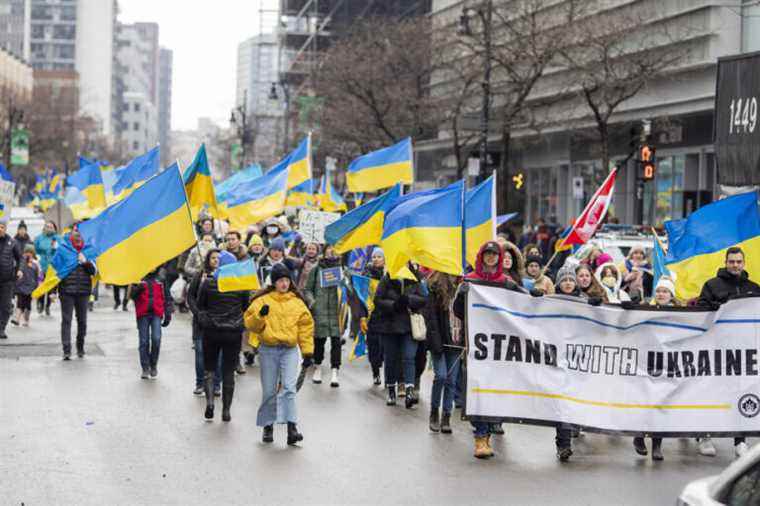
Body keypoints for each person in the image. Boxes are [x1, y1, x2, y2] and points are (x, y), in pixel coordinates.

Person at [452, 241, 516, 458]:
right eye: (487, 254)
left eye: (494, 254)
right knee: (477, 390)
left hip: (499, 346)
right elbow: (459, 312)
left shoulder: (507, 283)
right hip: (475, 345)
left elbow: (523, 306)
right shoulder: (470, 280)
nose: (491, 258)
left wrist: (533, 294)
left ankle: (487, 433)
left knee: (494, 391)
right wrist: (462, 294)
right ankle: (480, 437)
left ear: (499, 258)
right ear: (481, 256)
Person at [698, 246, 760, 458]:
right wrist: (716, 307)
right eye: (731, 261)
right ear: (725, 262)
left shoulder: (754, 288)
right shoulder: (711, 285)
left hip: (744, 353)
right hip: (717, 349)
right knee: (710, 393)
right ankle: (704, 434)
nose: (735, 265)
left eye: (738, 262)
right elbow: (700, 312)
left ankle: (740, 440)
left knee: (741, 395)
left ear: (744, 263)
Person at [245, 264, 314, 445]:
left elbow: (305, 328)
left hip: (290, 350)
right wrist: (260, 316)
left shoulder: (298, 302)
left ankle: (292, 428)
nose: (284, 284)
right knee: (269, 390)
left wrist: (307, 352)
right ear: (274, 282)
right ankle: (268, 426)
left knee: (289, 388)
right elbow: (251, 325)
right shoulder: (262, 301)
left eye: (286, 280)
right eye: (280, 280)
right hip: (268, 349)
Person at [195, 250, 250, 422]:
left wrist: (204, 320)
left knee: (209, 369)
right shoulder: (241, 284)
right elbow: (245, 307)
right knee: (228, 371)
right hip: (233, 333)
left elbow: (200, 305)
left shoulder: (208, 283)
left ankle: (210, 403)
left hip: (211, 332)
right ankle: (226, 410)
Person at [630, 276, 679, 461]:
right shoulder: (645, 309)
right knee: (645, 401)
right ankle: (639, 437)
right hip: (646, 361)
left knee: (662, 404)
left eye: (665, 291)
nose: (661, 294)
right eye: (658, 291)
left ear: (671, 295)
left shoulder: (681, 314)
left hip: (667, 363)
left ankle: (657, 445)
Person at [373, 262, 428, 409]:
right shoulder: (387, 278)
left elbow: (424, 298)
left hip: (409, 326)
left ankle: (409, 390)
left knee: (409, 357)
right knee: (391, 359)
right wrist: (394, 304)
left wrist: (409, 300)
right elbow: (377, 300)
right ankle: (391, 390)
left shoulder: (416, 278)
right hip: (389, 326)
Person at [552, 266, 585, 461]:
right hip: (556, 358)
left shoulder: (584, 303)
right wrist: (534, 300)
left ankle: (574, 429)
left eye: (571, 280)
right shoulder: (550, 301)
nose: (567, 283)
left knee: (574, 399)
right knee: (561, 401)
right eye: (564, 280)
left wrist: (598, 307)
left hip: (578, 359)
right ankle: (563, 444)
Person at [423, 271, 461, 434]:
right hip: (440, 340)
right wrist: (436, 343)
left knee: (452, 381)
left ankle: (446, 416)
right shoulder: (436, 289)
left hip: (457, 341)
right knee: (441, 376)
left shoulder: (464, 288)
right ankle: (434, 412)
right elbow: (431, 319)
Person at [304, 245, 343, 387]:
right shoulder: (316, 269)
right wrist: (313, 303)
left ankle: (334, 371)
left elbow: (348, 289)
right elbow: (307, 289)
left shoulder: (341, 269)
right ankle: (318, 367)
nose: (332, 252)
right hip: (320, 311)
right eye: (329, 249)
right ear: (325, 251)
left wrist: (344, 282)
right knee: (319, 341)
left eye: (335, 249)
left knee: (336, 342)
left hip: (336, 311)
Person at [186, 248, 222, 397]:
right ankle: (200, 383)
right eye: (213, 258)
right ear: (208, 260)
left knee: (219, 355)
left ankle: (216, 384)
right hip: (201, 322)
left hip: (219, 322)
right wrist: (198, 313)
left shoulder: (226, 275)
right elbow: (191, 297)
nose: (216, 260)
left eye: (218, 258)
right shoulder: (200, 275)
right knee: (201, 353)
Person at [58, 229, 96, 359]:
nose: (78, 236)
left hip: (83, 291)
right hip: (66, 291)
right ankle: (66, 350)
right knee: (66, 320)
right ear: (71, 236)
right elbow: (55, 270)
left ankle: (80, 346)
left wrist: (85, 261)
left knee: (82, 321)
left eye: (80, 234)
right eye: (76, 234)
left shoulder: (89, 250)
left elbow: (94, 272)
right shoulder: (63, 250)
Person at [130, 269, 173, 379]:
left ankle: (153, 364)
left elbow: (167, 297)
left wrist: (168, 313)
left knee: (156, 339)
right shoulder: (138, 278)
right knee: (144, 341)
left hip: (156, 313)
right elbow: (132, 296)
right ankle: (145, 367)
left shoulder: (161, 279)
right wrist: (137, 288)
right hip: (142, 313)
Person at [362, 247, 386, 385]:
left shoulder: (389, 274)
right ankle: (375, 372)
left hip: (386, 315)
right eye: (374, 257)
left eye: (379, 257)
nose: (376, 259)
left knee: (385, 347)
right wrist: (362, 316)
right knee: (373, 346)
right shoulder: (366, 275)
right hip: (371, 315)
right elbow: (361, 296)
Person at [0, 218, 21, 339]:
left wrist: (20, 269)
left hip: (7, 280)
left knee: (6, 306)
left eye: (2, 227)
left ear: (5, 229)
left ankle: (1, 328)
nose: (0, 229)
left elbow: (20, 258)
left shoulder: (12, 242)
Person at [34, 221, 60, 316]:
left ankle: (48, 306)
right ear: (44, 228)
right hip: (41, 266)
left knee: (50, 288)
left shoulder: (57, 238)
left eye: (51, 227)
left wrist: (56, 247)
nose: (49, 228)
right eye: (47, 226)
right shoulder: (39, 238)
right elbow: (35, 250)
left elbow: (61, 250)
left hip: (53, 267)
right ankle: (40, 302)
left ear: (54, 229)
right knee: (41, 286)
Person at [13, 244, 40, 327]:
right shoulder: (21, 261)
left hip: (30, 287)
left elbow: (38, 276)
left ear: (33, 253)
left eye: (30, 252)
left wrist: (37, 286)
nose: (28, 254)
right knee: (19, 303)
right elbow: (17, 270)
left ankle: (26, 320)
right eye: (26, 252)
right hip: (21, 286)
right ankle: (16, 319)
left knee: (27, 305)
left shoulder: (36, 263)